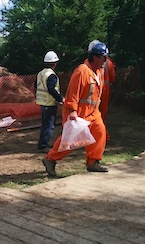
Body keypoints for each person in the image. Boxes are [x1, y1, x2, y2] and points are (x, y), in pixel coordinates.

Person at [41, 42, 109, 177]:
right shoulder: (82, 71)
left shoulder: (98, 71)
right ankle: (50, 159)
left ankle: (92, 162)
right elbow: (73, 92)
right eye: (104, 57)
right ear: (95, 57)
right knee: (70, 140)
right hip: (79, 112)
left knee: (100, 133)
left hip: (93, 112)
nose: (106, 61)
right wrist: (72, 110)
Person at [35, 51, 64, 151]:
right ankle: (43, 145)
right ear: (55, 63)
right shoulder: (51, 75)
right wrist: (60, 98)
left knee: (45, 124)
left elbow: (36, 86)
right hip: (49, 103)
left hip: (42, 102)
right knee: (49, 125)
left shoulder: (40, 73)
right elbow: (51, 89)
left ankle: (42, 143)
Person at [87, 40, 116, 141]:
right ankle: (102, 136)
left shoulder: (87, 64)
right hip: (104, 90)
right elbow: (112, 78)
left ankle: (97, 136)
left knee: (92, 114)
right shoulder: (109, 62)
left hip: (93, 91)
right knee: (101, 114)